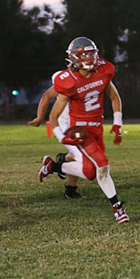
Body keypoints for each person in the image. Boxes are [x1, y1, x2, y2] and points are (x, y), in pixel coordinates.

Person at [36, 36, 129, 223]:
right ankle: (118, 207)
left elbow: (114, 96)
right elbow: (53, 116)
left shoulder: (103, 71)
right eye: (84, 55)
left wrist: (117, 122)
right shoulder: (67, 81)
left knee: (90, 172)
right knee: (102, 164)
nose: (89, 58)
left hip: (96, 128)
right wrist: (61, 136)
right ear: (74, 58)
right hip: (78, 130)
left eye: (91, 53)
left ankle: (53, 166)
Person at [28, 72, 82, 200]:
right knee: (80, 155)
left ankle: (62, 165)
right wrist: (39, 117)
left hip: (82, 124)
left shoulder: (93, 77)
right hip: (66, 124)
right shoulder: (67, 80)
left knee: (81, 156)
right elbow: (47, 96)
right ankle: (58, 171)